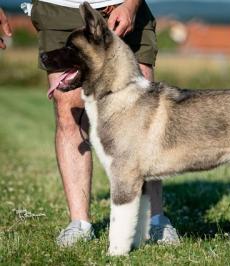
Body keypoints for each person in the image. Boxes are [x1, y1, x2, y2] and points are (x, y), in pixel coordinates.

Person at [29, 0, 179, 246]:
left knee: (143, 116)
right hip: (60, 7)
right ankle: (80, 224)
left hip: (122, 7)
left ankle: (155, 220)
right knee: (68, 112)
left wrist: (130, 6)